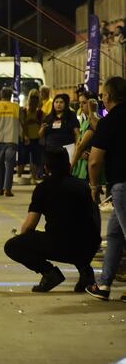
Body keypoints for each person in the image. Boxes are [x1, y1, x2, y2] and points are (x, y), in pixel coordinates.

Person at [4, 148, 100, 292]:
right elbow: (94, 217)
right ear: (69, 166)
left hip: (60, 244)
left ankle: (49, 273)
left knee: (12, 246)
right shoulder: (83, 185)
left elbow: (29, 226)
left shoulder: (43, 188)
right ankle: (85, 272)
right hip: (89, 245)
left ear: (46, 168)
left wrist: (22, 237)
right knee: (77, 233)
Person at [85, 76, 126, 302]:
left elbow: (94, 161)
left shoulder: (109, 122)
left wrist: (94, 186)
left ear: (108, 96)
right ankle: (104, 284)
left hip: (122, 185)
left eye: (102, 95)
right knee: (114, 235)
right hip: (120, 187)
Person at [39, 94, 79, 161]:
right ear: (53, 104)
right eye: (56, 102)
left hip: (68, 148)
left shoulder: (71, 115)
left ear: (65, 104)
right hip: (50, 148)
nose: (58, 104)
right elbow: (40, 135)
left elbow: (77, 133)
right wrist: (42, 128)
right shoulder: (48, 118)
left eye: (61, 102)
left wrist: (77, 147)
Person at [71, 96, 100, 182]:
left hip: (88, 164)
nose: (81, 106)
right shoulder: (84, 120)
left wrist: (71, 166)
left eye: (84, 103)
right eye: (80, 103)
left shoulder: (95, 122)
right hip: (81, 161)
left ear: (92, 103)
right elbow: (79, 143)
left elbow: (81, 146)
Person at [18, 89, 43, 184]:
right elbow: (22, 124)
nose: (34, 101)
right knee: (22, 159)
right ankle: (19, 176)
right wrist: (25, 136)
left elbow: (42, 124)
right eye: (32, 98)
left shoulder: (40, 113)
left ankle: (33, 177)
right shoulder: (23, 111)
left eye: (36, 99)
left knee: (35, 159)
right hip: (25, 138)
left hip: (36, 138)